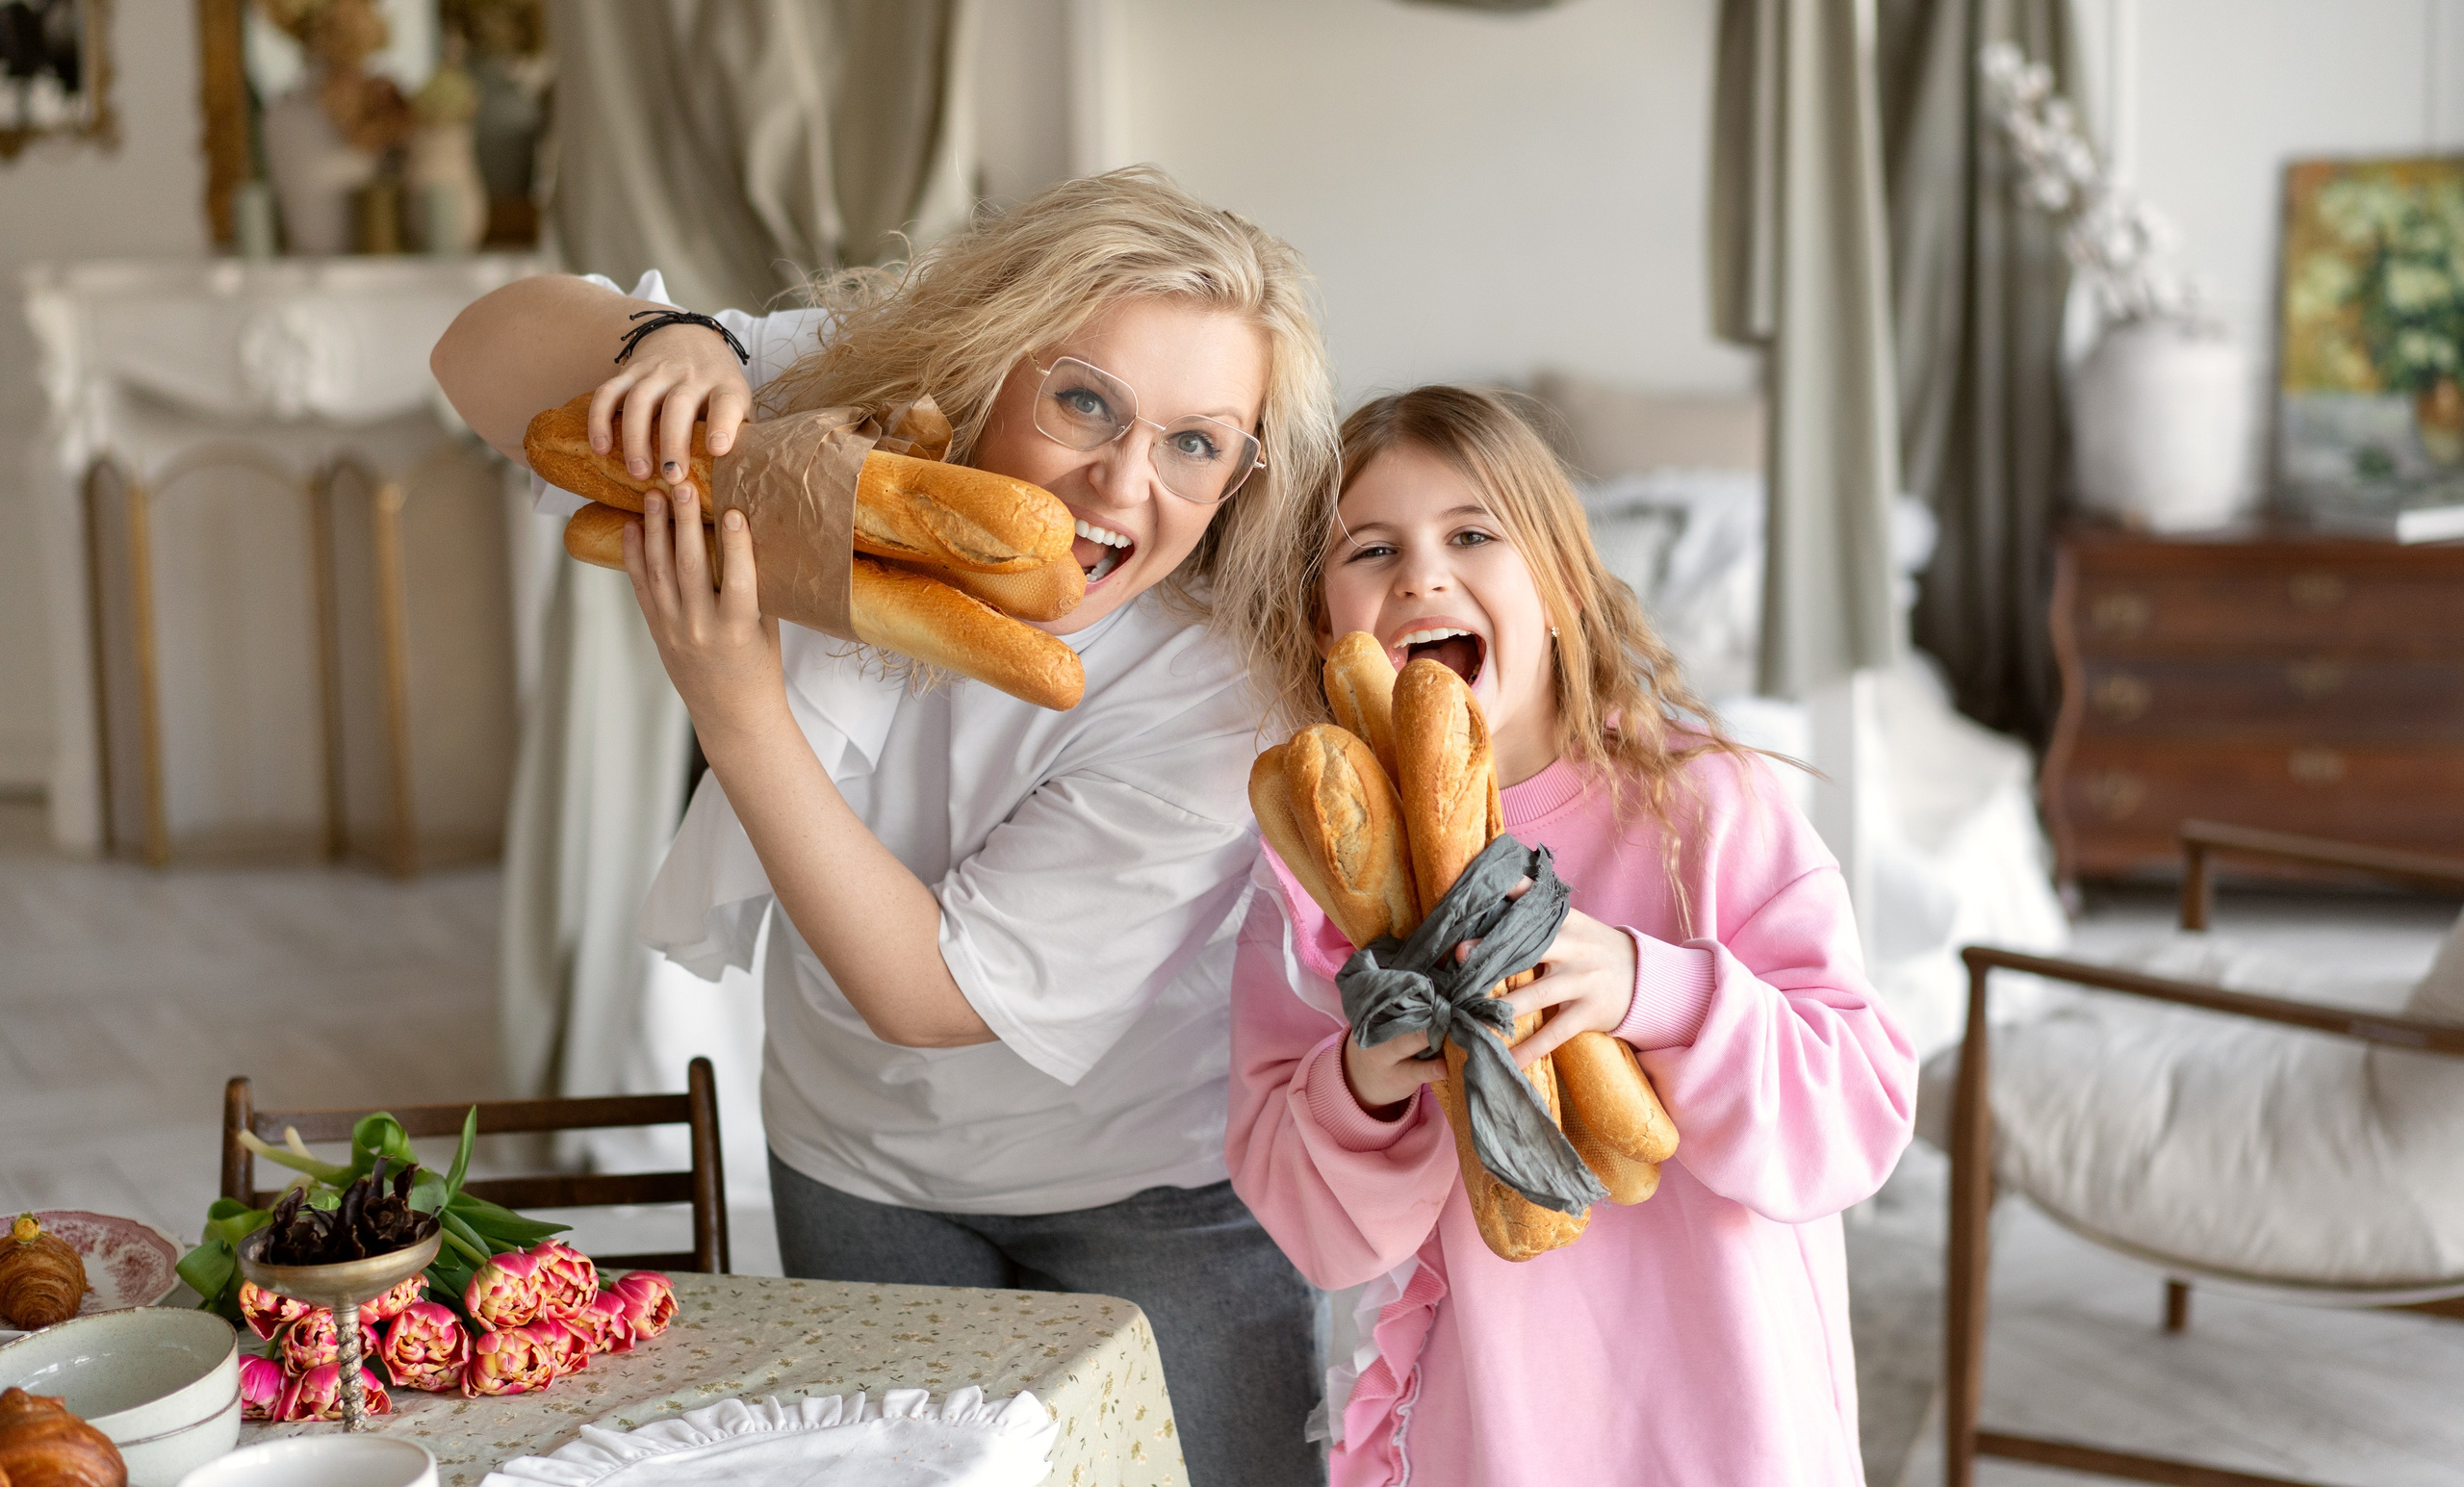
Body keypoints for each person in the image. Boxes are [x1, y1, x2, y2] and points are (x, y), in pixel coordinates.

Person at [433, 168, 1341, 1486]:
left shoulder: (1220, 687)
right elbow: (476, 353)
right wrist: (673, 349)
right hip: (853, 1158)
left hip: (1156, 1192)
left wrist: (735, 703)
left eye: (1197, 443)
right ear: (987, 364)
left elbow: (929, 993)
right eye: (1085, 400)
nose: (1122, 480)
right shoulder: (848, 414)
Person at [1226, 385, 1918, 1486]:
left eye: (1471, 535)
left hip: (1725, 1424)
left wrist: (1660, 991)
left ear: (1558, 583)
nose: (1421, 577)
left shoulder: (1704, 809)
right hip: (1488, 1430)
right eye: (1371, 550)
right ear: (1323, 622)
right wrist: (1363, 1086)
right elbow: (1313, 1225)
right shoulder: (1313, 877)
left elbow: (1856, 1119)